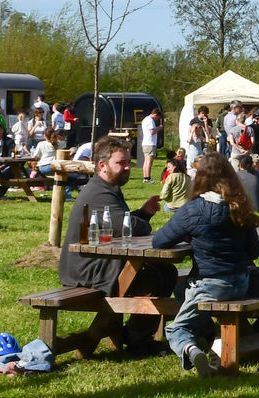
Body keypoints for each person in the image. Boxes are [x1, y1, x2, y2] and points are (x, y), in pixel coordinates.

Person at [150, 153, 259, 375]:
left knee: (175, 328)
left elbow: (159, 241)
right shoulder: (240, 206)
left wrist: (190, 234)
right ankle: (215, 346)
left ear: (200, 178)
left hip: (209, 285)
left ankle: (191, 349)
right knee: (182, 288)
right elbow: (255, 251)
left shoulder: (193, 210)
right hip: (241, 282)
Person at [59, 135, 176, 351]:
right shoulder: (98, 193)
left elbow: (120, 224)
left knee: (166, 271)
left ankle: (135, 334)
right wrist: (142, 220)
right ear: (102, 166)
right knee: (152, 278)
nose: (127, 168)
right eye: (120, 163)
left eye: (127, 163)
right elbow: (129, 226)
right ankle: (137, 340)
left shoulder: (108, 188)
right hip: (87, 268)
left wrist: (144, 213)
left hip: (102, 261)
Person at [140, 108, 162, 182]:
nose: (157, 120)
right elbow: (152, 132)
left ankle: (145, 177)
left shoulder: (145, 119)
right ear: (155, 115)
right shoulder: (150, 120)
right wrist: (159, 128)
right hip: (150, 143)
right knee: (149, 161)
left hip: (145, 143)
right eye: (157, 118)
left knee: (146, 161)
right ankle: (148, 178)